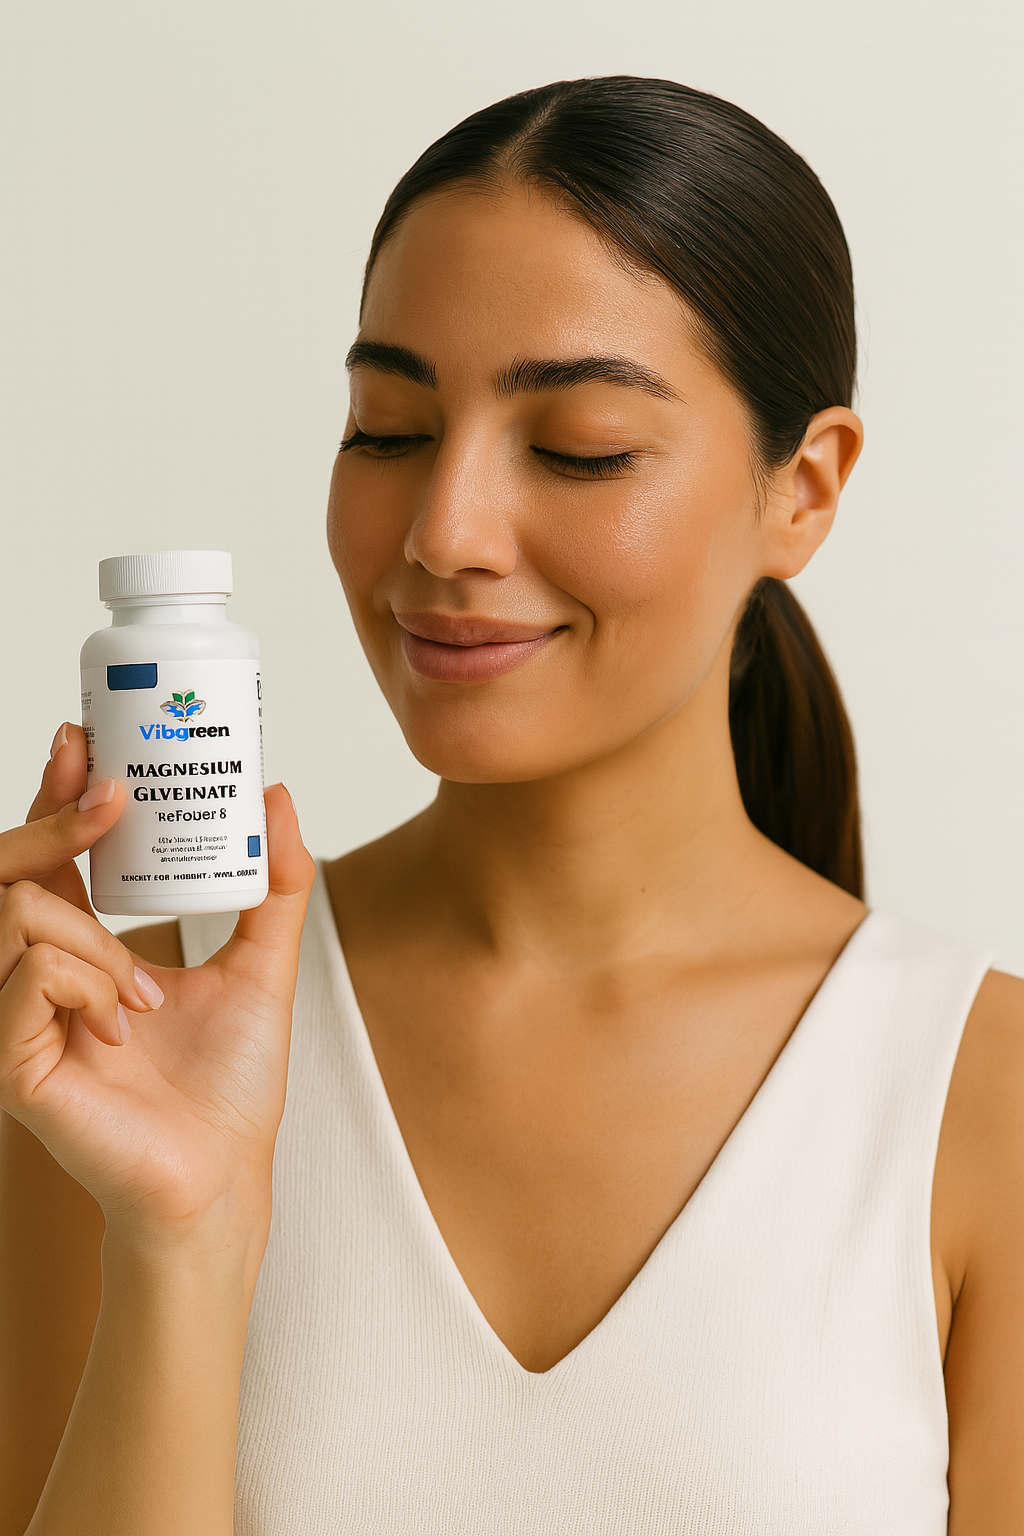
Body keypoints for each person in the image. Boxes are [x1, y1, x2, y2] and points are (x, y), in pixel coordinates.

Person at [1, 75, 1022, 1536]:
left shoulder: (984, 1091)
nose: (444, 533)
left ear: (802, 489)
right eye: (388, 429)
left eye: (581, 446)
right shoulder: (128, 1043)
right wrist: (180, 1229)